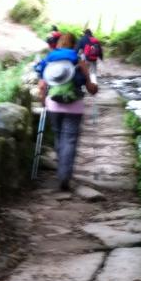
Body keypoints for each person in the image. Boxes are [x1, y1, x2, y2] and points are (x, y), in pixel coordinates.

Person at [37, 33, 98, 191]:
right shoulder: (78, 60)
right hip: (74, 106)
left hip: (53, 105)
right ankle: (65, 176)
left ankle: (61, 172)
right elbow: (91, 88)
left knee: (58, 136)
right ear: (73, 45)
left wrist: (44, 101)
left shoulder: (49, 59)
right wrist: (91, 82)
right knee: (70, 140)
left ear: (58, 44)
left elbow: (42, 86)